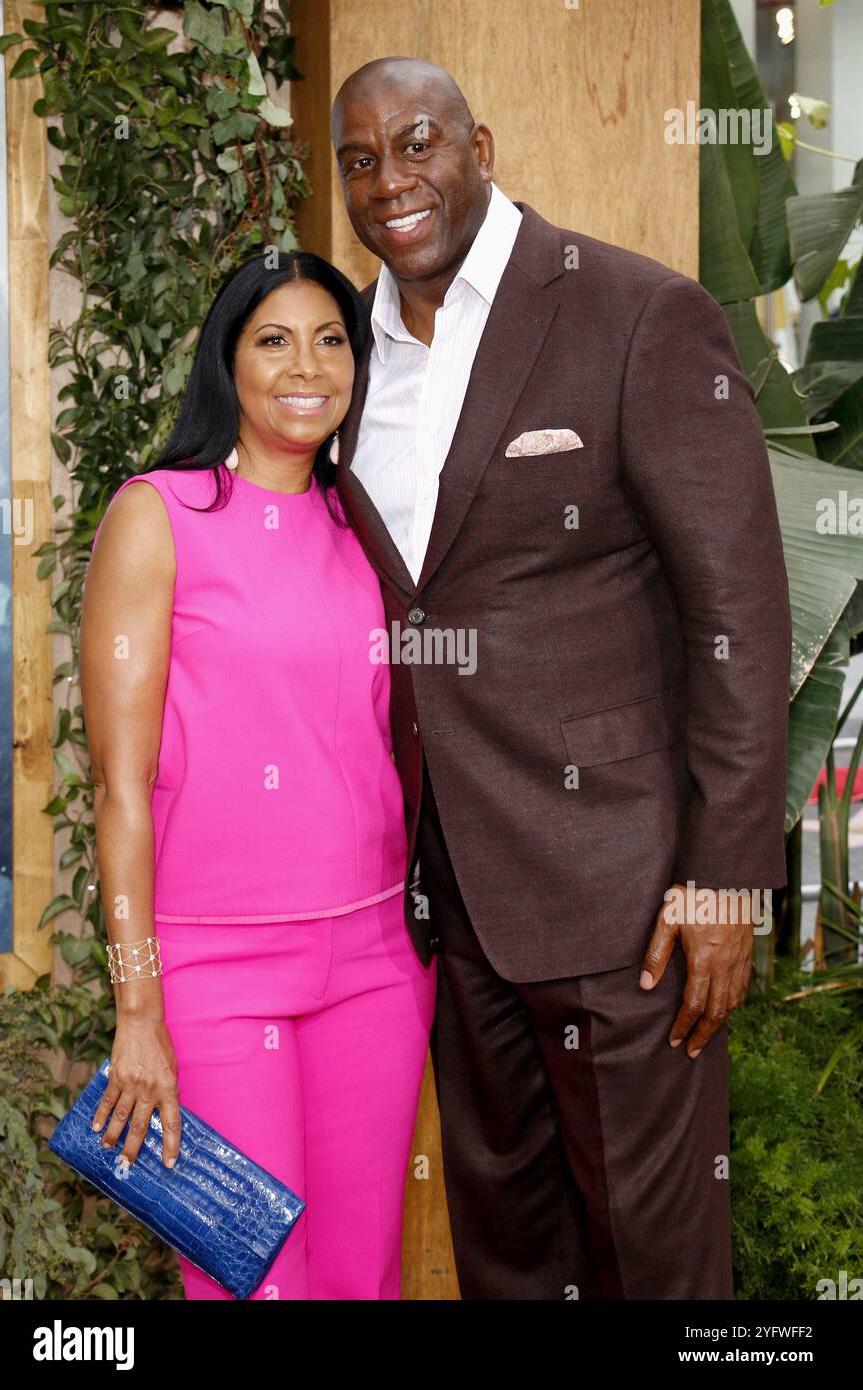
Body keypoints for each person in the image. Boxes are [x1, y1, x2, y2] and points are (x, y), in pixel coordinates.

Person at [330, 57, 793, 1300]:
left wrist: (726, 880)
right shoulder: (346, 361)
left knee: (654, 1264)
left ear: (478, 143)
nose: (391, 182)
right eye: (360, 161)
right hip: (451, 904)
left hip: (628, 897)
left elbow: (739, 614)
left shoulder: (634, 313)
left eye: (416, 144)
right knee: (511, 1258)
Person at [79, 251, 436, 1301]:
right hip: (210, 979)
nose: (306, 365)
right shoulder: (160, 514)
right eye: (272, 339)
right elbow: (117, 790)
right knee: (249, 1281)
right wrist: (137, 1008)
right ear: (225, 361)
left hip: (374, 962)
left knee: (362, 1276)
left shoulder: (365, 529)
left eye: (331, 339)